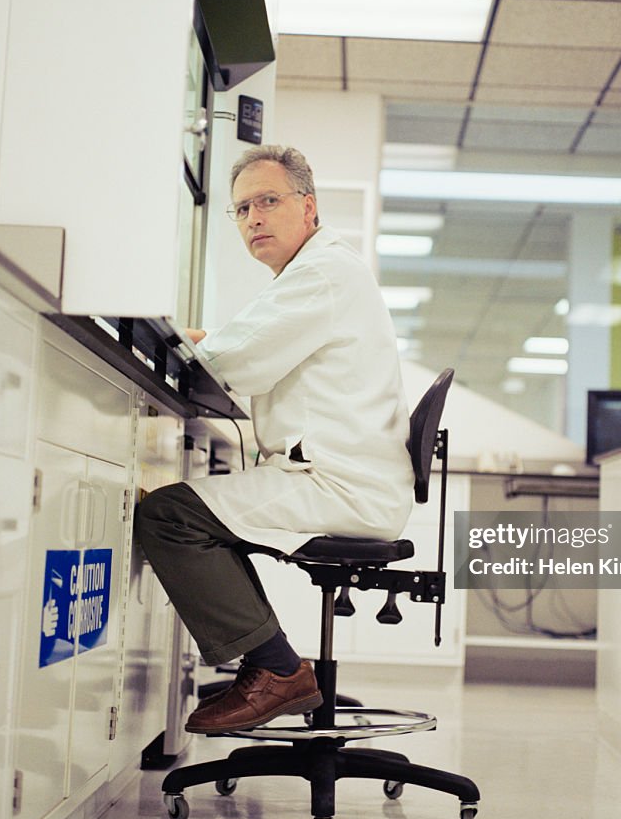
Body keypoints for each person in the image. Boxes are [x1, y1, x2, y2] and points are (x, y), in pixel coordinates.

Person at [135, 145, 414, 733]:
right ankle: (271, 666)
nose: (254, 219)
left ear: (307, 208)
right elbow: (254, 347)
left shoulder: (322, 274)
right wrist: (216, 343)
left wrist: (201, 344)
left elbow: (237, 363)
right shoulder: (318, 272)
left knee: (170, 516)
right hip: (339, 477)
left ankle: (277, 669)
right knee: (209, 512)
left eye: (268, 201)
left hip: (337, 485)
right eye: (241, 210)